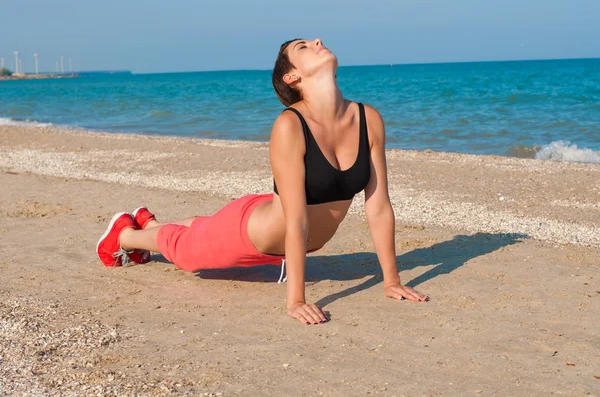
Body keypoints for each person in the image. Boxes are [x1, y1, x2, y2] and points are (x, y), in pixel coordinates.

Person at [97, 38, 428, 325]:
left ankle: (148, 222)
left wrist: (391, 281)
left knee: (202, 227)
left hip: (272, 218)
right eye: (303, 47)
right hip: (252, 234)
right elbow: (296, 220)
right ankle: (125, 235)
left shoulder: (368, 118)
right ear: (292, 76)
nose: (317, 41)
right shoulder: (290, 125)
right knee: (188, 252)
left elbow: (379, 206)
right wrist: (295, 299)